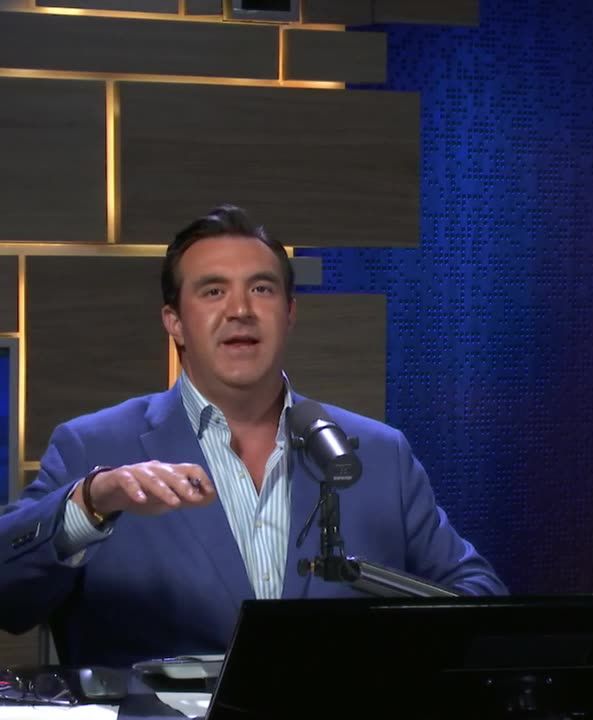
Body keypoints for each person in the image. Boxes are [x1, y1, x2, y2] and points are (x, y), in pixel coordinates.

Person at [0, 205, 506, 667]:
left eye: (261, 289)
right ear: (175, 322)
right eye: (213, 291)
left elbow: (478, 595)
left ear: (289, 313)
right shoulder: (94, 447)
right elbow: (8, 597)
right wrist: (89, 504)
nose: (240, 309)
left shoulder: (379, 453)